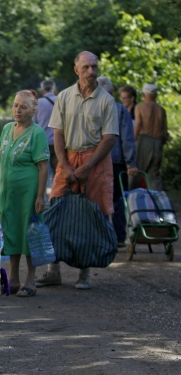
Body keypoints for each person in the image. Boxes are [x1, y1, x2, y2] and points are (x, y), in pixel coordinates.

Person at [36, 51, 119, 290]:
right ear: (76, 70)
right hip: (68, 158)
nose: (91, 71)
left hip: (96, 159)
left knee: (92, 215)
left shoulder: (106, 100)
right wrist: (64, 163)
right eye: (86, 67)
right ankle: (53, 271)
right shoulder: (63, 97)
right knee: (55, 213)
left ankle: (85, 272)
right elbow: (57, 134)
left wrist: (88, 166)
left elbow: (110, 138)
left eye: (94, 67)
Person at [0, 90, 49, 297]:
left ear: (34, 110)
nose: (18, 110)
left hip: (29, 193)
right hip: (8, 192)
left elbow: (43, 167)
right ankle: (14, 278)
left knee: (29, 233)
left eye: (23, 107)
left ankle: (30, 280)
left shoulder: (37, 133)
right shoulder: (7, 129)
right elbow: (3, 161)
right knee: (11, 232)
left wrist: (40, 196)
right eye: (16, 105)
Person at [96, 76, 138, 247]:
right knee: (118, 199)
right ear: (112, 92)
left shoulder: (93, 109)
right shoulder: (121, 110)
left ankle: (104, 235)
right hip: (118, 160)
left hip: (97, 159)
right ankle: (120, 237)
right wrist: (131, 163)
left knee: (100, 198)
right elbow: (128, 139)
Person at [129, 84, 168, 191]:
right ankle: (158, 202)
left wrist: (131, 144)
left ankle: (130, 200)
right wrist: (159, 143)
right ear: (156, 95)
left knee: (135, 172)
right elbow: (165, 133)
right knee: (154, 175)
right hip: (158, 141)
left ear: (143, 94)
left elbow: (138, 126)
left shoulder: (140, 107)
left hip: (143, 141)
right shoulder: (161, 110)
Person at [33, 80, 58, 172]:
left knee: (43, 172)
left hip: (42, 143)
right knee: (58, 173)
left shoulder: (37, 103)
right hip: (58, 142)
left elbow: (33, 124)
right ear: (54, 89)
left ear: (42, 90)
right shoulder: (61, 101)